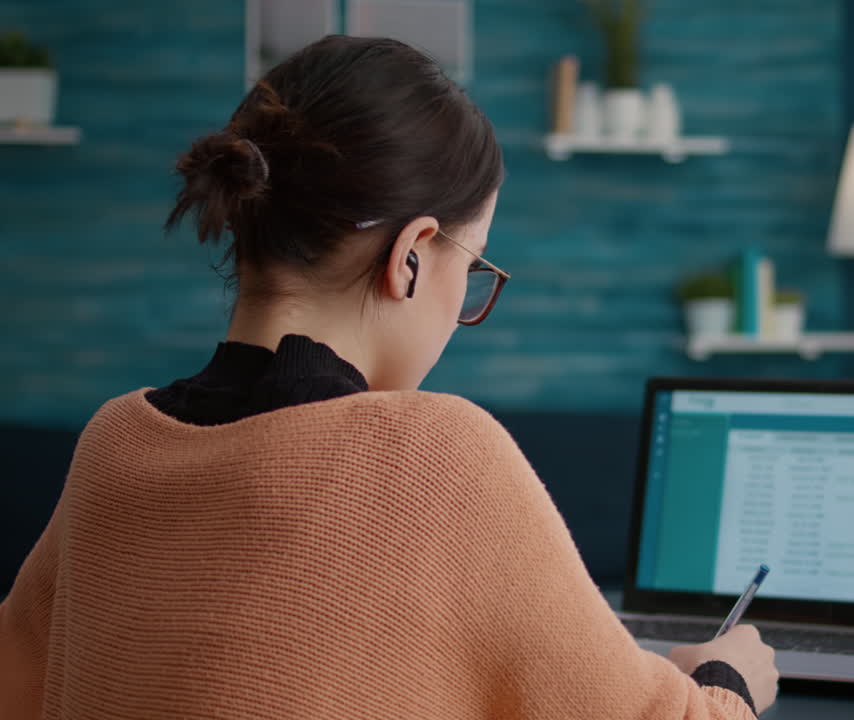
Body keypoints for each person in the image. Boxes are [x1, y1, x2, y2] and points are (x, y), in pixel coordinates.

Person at [0, 35, 779, 719]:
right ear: (411, 256)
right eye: (472, 269)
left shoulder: (114, 443)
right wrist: (724, 677)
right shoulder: (432, 454)